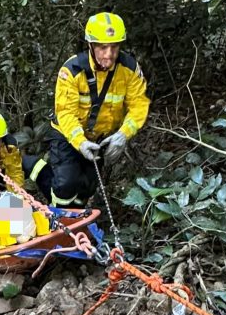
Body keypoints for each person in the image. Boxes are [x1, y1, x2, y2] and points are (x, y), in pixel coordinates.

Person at [47, 12, 150, 207]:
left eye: (114, 47)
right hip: (67, 134)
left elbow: (139, 105)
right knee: (66, 184)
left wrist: (123, 135)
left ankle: (78, 219)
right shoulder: (72, 70)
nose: (109, 54)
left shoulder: (129, 69)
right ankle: (58, 219)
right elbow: (65, 113)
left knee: (87, 186)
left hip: (100, 138)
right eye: (103, 47)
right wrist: (80, 142)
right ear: (91, 46)